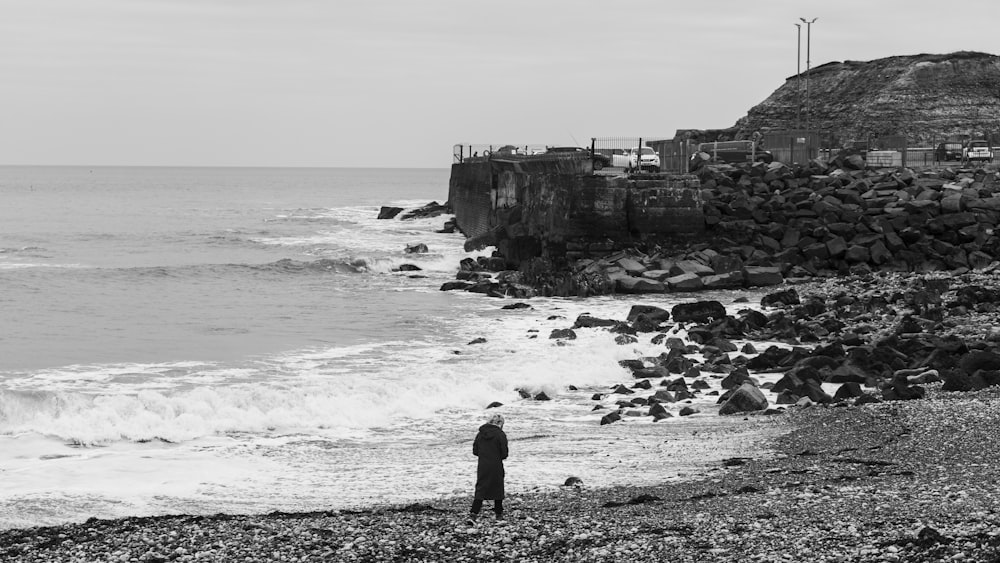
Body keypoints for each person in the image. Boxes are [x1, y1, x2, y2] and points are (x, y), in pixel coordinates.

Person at [469, 413, 508, 523]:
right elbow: (504, 453)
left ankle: (473, 513)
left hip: (483, 464)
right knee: (498, 487)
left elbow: (475, 451)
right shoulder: (500, 434)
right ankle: (499, 514)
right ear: (500, 423)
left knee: (481, 488)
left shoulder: (480, 434)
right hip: (496, 464)